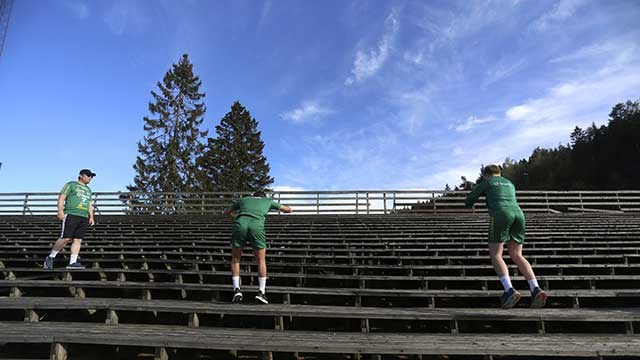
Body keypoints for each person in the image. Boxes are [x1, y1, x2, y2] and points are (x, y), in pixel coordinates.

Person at [465, 164, 548, 309]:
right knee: (517, 254)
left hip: (501, 214)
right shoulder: (509, 183)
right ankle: (535, 288)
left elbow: (469, 201)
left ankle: (509, 290)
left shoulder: (486, 182)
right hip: (519, 215)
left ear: (486, 174)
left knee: (496, 255)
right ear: (500, 173)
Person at [224, 191, 292, 304]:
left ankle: (236, 290)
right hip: (256, 225)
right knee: (261, 260)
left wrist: (236, 219)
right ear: (263, 197)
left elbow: (227, 212)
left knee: (235, 259)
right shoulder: (268, 201)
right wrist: (287, 209)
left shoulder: (244, 199)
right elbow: (288, 209)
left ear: (253, 196)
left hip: (240, 224)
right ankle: (261, 292)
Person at [43, 169, 96, 270]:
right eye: (88, 175)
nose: (90, 178)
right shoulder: (71, 184)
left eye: (91, 176)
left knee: (78, 240)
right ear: (81, 175)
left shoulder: (89, 190)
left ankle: (72, 263)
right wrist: (60, 210)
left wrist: (91, 217)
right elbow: (62, 197)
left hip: (83, 216)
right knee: (66, 238)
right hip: (71, 214)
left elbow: (89, 204)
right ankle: (50, 257)